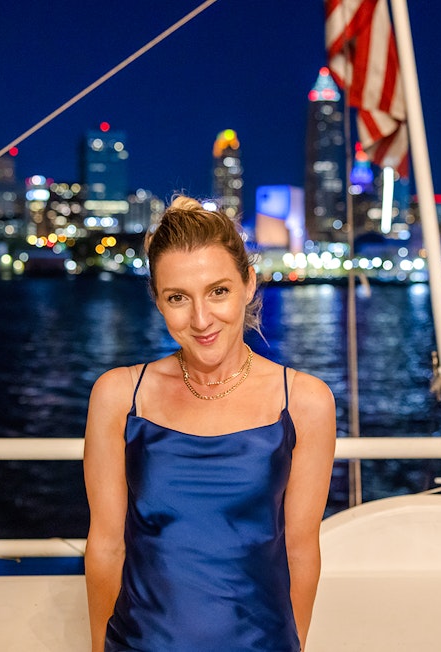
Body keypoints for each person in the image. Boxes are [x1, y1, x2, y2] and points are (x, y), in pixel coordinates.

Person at [83, 196, 336, 652]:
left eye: (218, 291)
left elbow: (300, 552)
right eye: (178, 298)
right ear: (158, 301)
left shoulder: (304, 401)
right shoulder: (119, 395)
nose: (201, 320)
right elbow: (105, 547)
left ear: (248, 283)